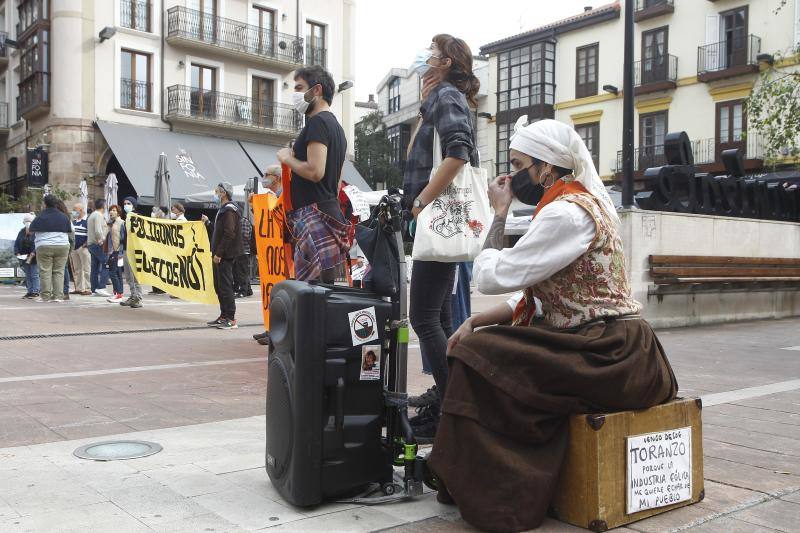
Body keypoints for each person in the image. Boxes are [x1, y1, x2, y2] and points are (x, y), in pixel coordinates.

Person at [426, 119, 679, 532]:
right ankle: (468, 473)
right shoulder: (571, 206)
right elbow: (533, 292)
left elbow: (492, 276)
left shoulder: (566, 213)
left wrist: (499, 213)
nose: (511, 176)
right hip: (603, 347)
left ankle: (497, 491)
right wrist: (474, 320)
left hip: (613, 354)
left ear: (545, 168)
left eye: (518, 164)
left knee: (479, 356)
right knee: (485, 344)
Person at [403, 35, 481, 442]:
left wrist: (420, 202)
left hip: (438, 220)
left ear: (446, 61)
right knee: (444, 319)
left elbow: (458, 152)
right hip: (444, 220)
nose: (424, 56)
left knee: (423, 317)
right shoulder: (445, 97)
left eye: (430, 51)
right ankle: (448, 402)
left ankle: (450, 409)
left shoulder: (445, 96)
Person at [276, 65, 354, 284]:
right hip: (328, 212)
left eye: (300, 87)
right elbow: (336, 181)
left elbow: (315, 171)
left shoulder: (317, 122)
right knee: (325, 294)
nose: (296, 94)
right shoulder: (337, 128)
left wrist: (287, 158)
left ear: (317, 90)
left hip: (314, 216)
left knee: (312, 295)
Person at [251, 164, 284, 346]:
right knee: (272, 293)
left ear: (277, 178)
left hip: (280, 255)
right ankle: (270, 328)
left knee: (278, 294)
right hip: (272, 254)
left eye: (266, 175)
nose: (264, 177)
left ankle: (276, 331)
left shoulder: (281, 196)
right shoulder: (271, 197)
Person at [204, 182, 244, 330]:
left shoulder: (229, 210)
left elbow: (229, 233)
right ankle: (223, 315)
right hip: (220, 254)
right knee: (219, 285)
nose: (215, 194)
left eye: (217, 191)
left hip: (225, 255)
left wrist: (219, 253)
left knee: (225, 286)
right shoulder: (223, 209)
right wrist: (208, 223)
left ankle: (231, 318)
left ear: (223, 193)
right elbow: (220, 232)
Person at [29, 195, 73, 302]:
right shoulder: (64, 217)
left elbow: (31, 230)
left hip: (44, 246)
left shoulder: (40, 217)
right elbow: (70, 231)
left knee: (45, 271)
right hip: (62, 246)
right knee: (59, 271)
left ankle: (45, 296)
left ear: (45, 204)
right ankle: (58, 296)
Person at [119, 196, 143, 308]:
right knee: (128, 275)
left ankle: (138, 297)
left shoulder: (137, 218)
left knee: (135, 275)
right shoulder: (126, 218)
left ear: (133, 205)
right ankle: (133, 295)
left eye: (128, 203)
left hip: (134, 250)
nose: (126, 205)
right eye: (125, 203)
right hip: (126, 248)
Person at [87, 198, 111, 297]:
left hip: (92, 244)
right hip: (98, 244)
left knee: (95, 267)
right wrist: (102, 239)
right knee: (106, 263)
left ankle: (94, 288)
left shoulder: (92, 215)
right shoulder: (98, 215)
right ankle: (101, 287)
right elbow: (98, 230)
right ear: (103, 206)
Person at [53, 199, 75, 300]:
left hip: (63, 245)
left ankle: (65, 291)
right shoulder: (65, 218)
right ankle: (61, 291)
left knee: (63, 269)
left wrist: (70, 248)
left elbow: (71, 235)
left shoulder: (65, 219)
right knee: (61, 269)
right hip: (61, 245)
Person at [14, 213, 39, 299]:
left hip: (33, 256)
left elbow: (38, 244)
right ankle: (29, 291)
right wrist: (17, 252)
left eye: (29, 221)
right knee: (28, 275)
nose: (27, 223)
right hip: (23, 256)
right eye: (26, 221)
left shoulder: (36, 232)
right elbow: (16, 243)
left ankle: (36, 291)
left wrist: (34, 252)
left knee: (34, 274)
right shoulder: (21, 231)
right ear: (23, 222)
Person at [70, 202, 91, 295]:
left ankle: (88, 288)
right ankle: (78, 288)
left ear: (81, 210)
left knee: (87, 269)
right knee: (77, 269)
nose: (73, 211)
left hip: (83, 248)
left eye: (75, 209)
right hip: (74, 248)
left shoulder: (87, 221)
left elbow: (90, 234)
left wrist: (86, 243)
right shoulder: (73, 222)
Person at [106, 205, 125, 302]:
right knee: (116, 272)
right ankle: (118, 293)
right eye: (110, 210)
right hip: (112, 251)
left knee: (113, 273)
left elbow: (123, 239)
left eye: (114, 210)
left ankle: (118, 294)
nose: (111, 212)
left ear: (118, 212)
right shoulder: (111, 223)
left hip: (118, 251)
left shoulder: (121, 223)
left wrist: (121, 252)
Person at [235, 213, 254, 298]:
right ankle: (248, 290)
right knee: (244, 271)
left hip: (242, 251)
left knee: (241, 272)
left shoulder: (242, 222)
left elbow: (245, 236)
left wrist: (235, 236)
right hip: (243, 251)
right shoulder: (243, 221)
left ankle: (243, 291)